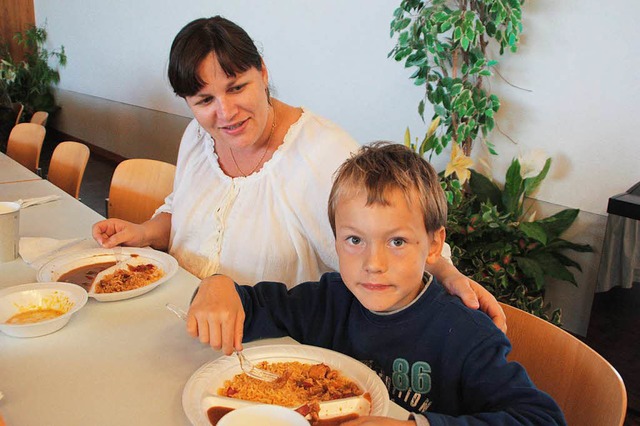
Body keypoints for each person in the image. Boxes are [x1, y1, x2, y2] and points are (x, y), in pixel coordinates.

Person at [91, 15, 506, 331]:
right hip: (185, 323)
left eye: (237, 87)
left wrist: (449, 274)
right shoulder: (196, 139)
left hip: (275, 348)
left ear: (264, 73)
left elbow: (396, 230)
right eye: (204, 100)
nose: (225, 113)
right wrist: (144, 232)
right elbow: (183, 208)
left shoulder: (322, 153)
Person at [189, 142, 565, 425]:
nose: (373, 264)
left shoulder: (465, 334)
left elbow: (542, 419)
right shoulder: (327, 300)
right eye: (355, 240)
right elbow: (246, 308)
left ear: (434, 244)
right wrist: (216, 286)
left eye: (397, 242)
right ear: (335, 241)